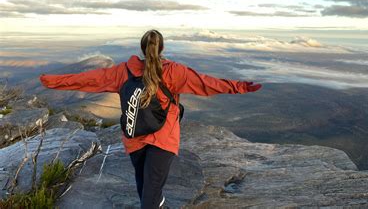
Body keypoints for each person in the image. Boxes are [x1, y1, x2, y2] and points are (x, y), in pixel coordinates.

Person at [39, 29, 262, 209]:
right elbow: (207, 83)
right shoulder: (174, 71)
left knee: (146, 186)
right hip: (163, 138)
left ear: (142, 48)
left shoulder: (122, 72)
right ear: (162, 48)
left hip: (134, 137)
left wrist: (54, 81)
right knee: (150, 190)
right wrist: (240, 87)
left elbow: (87, 79)